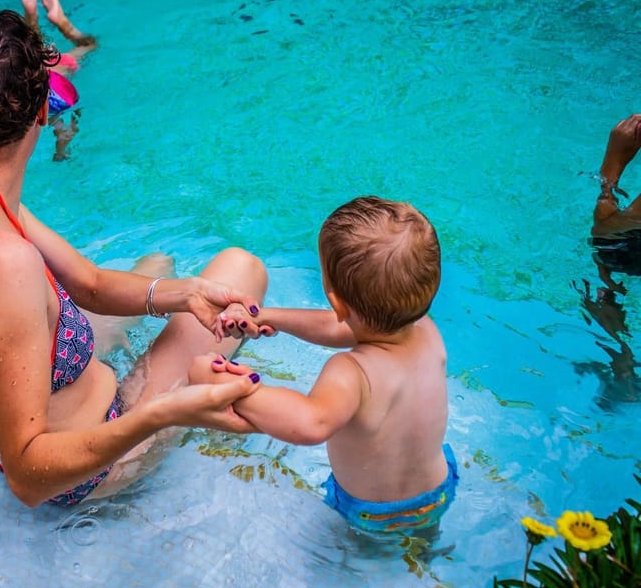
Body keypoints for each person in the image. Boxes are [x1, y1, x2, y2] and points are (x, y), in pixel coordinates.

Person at [0, 5, 267, 509]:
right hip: (88, 465)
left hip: (39, 400)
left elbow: (89, 284)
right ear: (43, 111)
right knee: (242, 267)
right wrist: (165, 413)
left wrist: (186, 295)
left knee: (159, 266)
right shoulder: (6, 266)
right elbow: (29, 478)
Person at [190, 196, 457, 533]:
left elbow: (311, 423)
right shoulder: (426, 331)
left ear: (334, 301)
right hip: (438, 492)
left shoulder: (353, 371)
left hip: (373, 515)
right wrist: (267, 316)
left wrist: (232, 387)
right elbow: (340, 326)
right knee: (423, 547)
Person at [574, 113, 641, 405]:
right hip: (617, 249)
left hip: (614, 248)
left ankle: (622, 361)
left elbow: (607, 237)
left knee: (602, 282)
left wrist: (612, 164)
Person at [20, 0, 95, 161]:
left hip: (54, 88)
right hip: (59, 88)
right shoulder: (59, 64)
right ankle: (58, 20)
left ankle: (36, 15)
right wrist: (60, 153)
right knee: (89, 44)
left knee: (34, 50)